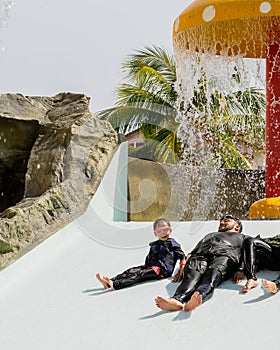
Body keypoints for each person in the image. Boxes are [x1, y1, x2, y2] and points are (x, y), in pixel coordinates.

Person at [155, 215, 244, 312]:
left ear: (237, 227)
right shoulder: (210, 235)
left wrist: (241, 269)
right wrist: (183, 266)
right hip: (200, 256)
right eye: (221, 222)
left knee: (210, 278)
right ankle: (177, 300)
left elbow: (249, 254)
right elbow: (192, 252)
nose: (222, 223)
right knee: (191, 278)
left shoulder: (242, 237)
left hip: (225, 256)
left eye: (226, 221)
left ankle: (198, 296)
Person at [96, 218, 186, 291]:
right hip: (150, 267)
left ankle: (116, 284)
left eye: (166, 229)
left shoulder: (172, 243)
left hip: (162, 271)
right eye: (160, 231)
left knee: (139, 275)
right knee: (131, 271)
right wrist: (146, 265)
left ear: (170, 230)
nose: (163, 233)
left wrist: (182, 266)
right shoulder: (155, 245)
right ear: (155, 233)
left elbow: (181, 255)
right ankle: (109, 282)